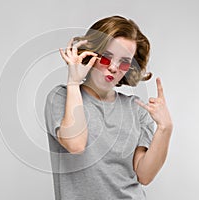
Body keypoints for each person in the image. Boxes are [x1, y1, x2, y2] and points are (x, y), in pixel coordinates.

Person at [44, 15, 173, 200]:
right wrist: (73, 82)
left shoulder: (136, 109)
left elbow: (144, 175)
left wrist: (165, 128)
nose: (113, 68)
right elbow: (76, 144)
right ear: (91, 54)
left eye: (124, 62)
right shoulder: (61, 97)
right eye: (106, 58)